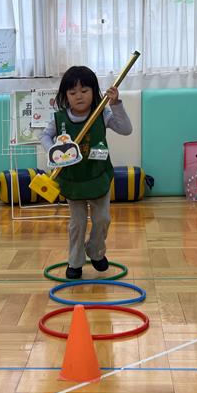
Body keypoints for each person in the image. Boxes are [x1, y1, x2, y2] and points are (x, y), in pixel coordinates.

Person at [41, 65, 132, 280]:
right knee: (77, 224)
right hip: (73, 180)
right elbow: (44, 136)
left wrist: (116, 104)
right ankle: (75, 262)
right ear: (65, 95)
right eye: (73, 92)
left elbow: (126, 129)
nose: (79, 96)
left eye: (84, 91)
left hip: (98, 176)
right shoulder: (59, 119)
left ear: (94, 91)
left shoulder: (102, 113)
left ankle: (96, 251)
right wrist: (54, 152)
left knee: (103, 219)